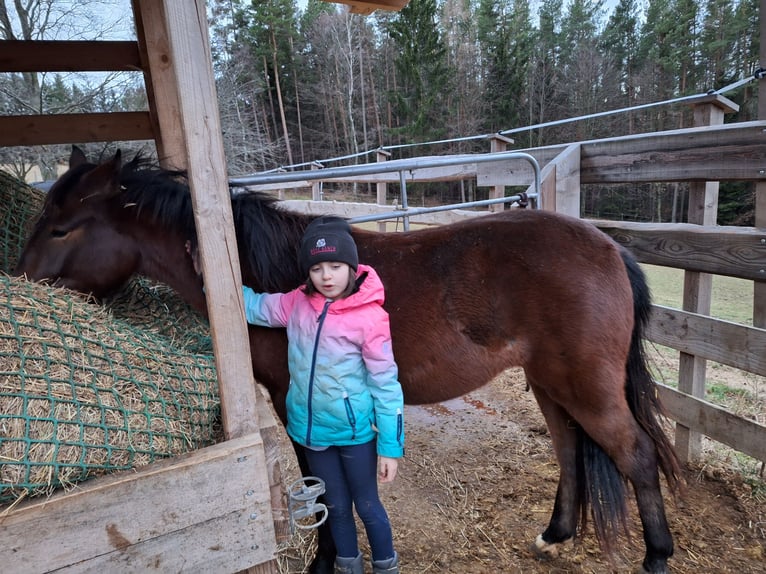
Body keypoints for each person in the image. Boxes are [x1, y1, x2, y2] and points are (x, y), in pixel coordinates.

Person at [239, 216, 404, 574]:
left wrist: (391, 446)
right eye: (316, 268)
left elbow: (386, 383)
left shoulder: (370, 318)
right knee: (336, 506)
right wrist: (213, 283)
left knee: (368, 506)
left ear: (351, 266)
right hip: (312, 434)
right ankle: (348, 566)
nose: (327, 276)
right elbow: (255, 307)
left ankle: (386, 566)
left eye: (335, 266)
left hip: (355, 434)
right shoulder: (297, 303)